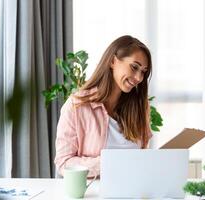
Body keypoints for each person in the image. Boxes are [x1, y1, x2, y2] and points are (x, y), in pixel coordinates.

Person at [54, 35, 153, 177]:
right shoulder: (77, 106)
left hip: (134, 191)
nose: (138, 78)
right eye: (134, 67)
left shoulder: (139, 106)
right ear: (113, 61)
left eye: (143, 71)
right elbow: (64, 163)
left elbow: (142, 155)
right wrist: (109, 163)